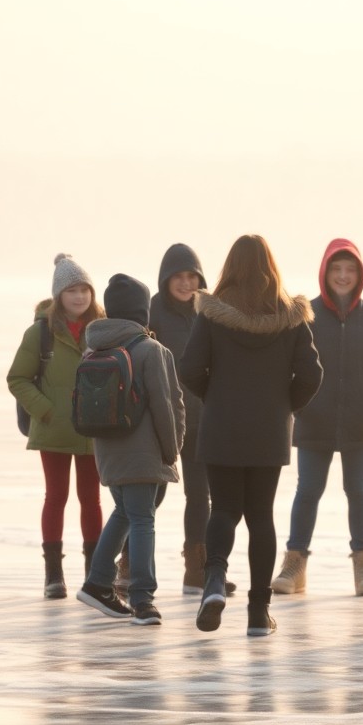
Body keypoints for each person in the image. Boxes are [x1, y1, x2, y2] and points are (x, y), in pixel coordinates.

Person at [179, 234, 322, 637]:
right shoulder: (291, 317)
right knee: (261, 516)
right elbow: (312, 374)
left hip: (222, 426)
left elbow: (189, 369)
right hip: (269, 431)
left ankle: (213, 582)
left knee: (222, 508)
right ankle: (259, 614)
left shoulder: (212, 314)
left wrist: (216, 395)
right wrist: (284, 406)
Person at [275, 238, 363, 597]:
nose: (343, 276)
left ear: (359, 275)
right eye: (337, 269)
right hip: (314, 421)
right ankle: (294, 564)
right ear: (325, 273)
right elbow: (287, 369)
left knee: (359, 491)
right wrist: (300, 406)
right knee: (308, 491)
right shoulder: (306, 316)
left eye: (350, 270)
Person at [76, 274, 185, 625]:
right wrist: (171, 452)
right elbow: (166, 406)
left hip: (107, 452)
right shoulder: (152, 350)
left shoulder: (93, 348)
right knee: (142, 520)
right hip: (145, 453)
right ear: (143, 311)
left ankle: (96, 583)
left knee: (125, 513)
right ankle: (142, 598)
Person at [7, 254, 105, 599]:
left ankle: (95, 572)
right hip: (54, 430)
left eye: (84, 290)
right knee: (56, 496)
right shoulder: (40, 333)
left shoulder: (102, 329)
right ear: (58, 294)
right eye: (71, 290)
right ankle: (54, 574)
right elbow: (18, 378)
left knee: (91, 498)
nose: (79, 297)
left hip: (95, 429)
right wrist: (45, 410)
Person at [148, 243, 233, 597]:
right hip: (161, 418)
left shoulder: (210, 311)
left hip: (201, 417)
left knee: (200, 495)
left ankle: (196, 570)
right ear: (165, 280)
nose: (185, 283)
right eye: (177, 277)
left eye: (191, 276)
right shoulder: (152, 311)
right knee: (151, 494)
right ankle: (127, 562)